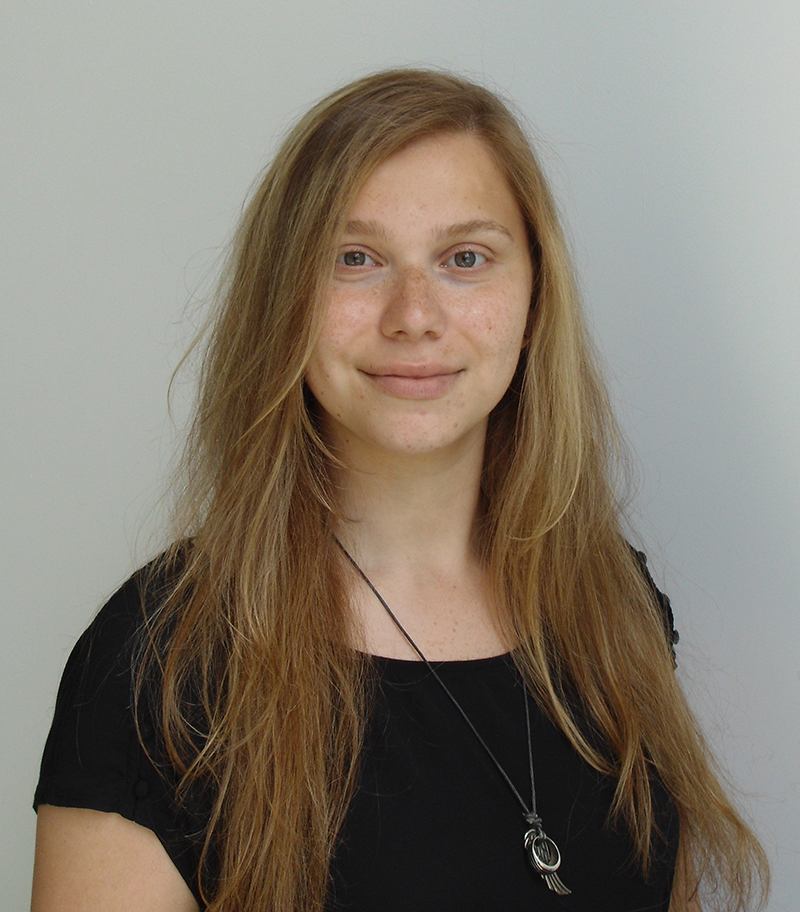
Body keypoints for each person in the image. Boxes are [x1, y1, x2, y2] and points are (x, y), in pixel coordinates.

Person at [31, 69, 768, 912]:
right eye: (355, 259)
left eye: (465, 258)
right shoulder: (159, 660)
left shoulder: (611, 600)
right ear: (285, 302)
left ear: (534, 297)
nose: (413, 314)